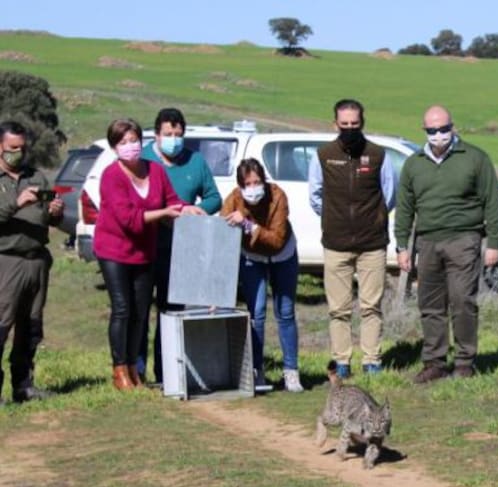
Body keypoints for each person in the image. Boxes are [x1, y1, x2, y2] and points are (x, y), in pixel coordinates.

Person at [395, 105, 498, 383]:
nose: (438, 134)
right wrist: (402, 246)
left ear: (453, 127)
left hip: (463, 238)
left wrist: (494, 242)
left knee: (462, 300)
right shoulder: (414, 163)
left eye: (443, 128)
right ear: (424, 131)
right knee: (430, 304)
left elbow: (491, 201)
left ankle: (465, 361)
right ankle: (435, 363)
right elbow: (405, 207)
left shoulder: (475, 158)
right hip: (427, 241)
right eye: (432, 130)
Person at [94, 118, 203, 390]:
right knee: (122, 308)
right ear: (114, 147)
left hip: (144, 251)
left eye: (133, 140)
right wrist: (165, 214)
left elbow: (171, 200)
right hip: (114, 251)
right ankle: (119, 369)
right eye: (123, 142)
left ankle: (134, 367)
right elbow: (129, 219)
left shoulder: (155, 170)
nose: (130, 146)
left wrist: (185, 209)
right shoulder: (111, 176)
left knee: (140, 312)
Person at [308, 99, 395, 379]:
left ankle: (372, 361)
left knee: (371, 306)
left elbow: (389, 195)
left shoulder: (379, 155)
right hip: (336, 243)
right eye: (344, 125)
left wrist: (374, 219)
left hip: (372, 244)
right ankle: (342, 361)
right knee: (338, 309)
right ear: (335, 124)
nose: (349, 129)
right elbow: (315, 196)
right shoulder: (323, 155)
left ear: (362, 123)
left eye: (354, 125)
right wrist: (337, 218)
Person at [140, 108, 221, 384]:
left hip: (180, 248)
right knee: (139, 310)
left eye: (178, 134)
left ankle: (167, 372)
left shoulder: (195, 161)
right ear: (156, 134)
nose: (173, 139)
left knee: (171, 311)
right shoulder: (143, 160)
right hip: (143, 245)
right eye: (168, 134)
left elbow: (213, 198)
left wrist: (195, 210)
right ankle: (136, 369)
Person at [221, 158, 302, 393]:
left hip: (283, 255)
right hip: (252, 258)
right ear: (240, 185)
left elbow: (276, 239)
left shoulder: (278, 196)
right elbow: (222, 222)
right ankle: (256, 371)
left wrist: (247, 225)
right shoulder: (234, 198)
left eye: (258, 181)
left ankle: (291, 372)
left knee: (285, 312)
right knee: (256, 314)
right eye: (248, 183)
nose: (254, 187)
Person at [0, 120, 62, 403]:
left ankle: (24, 385)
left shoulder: (36, 176)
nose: (19, 153)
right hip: (6, 261)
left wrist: (54, 211)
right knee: (2, 326)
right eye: (13, 148)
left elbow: (50, 218)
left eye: (23, 148)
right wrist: (16, 203)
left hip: (36, 260)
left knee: (31, 326)